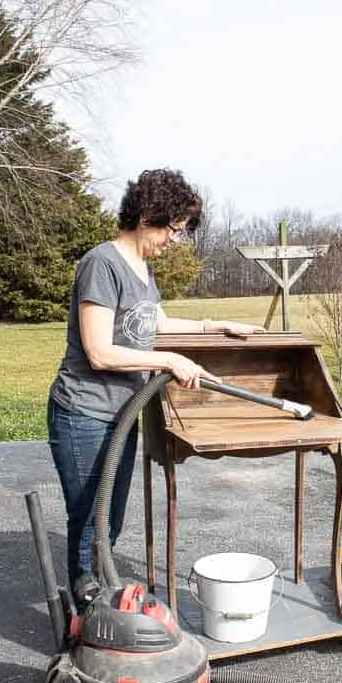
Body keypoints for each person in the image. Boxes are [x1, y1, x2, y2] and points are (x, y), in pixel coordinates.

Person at [47, 168, 264, 609]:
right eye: (174, 229)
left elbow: (156, 324)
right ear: (148, 214)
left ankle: (100, 604)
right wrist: (167, 360)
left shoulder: (141, 269)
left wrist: (213, 326)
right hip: (84, 414)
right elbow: (99, 351)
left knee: (110, 518)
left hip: (121, 414)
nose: (174, 241)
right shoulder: (102, 264)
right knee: (90, 516)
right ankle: (83, 613)